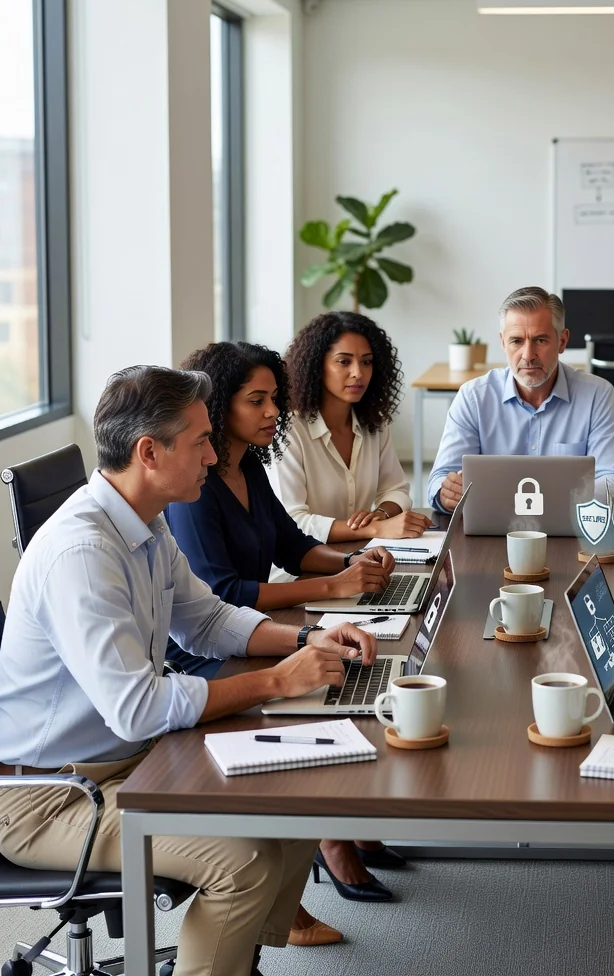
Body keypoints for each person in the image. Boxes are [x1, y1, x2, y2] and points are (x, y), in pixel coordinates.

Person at [0, 365, 380, 976]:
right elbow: (139, 705)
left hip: (128, 755)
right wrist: (280, 680)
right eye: (201, 441)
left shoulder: (143, 523)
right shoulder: (83, 554)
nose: (213, 454)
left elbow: (205, 620)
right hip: (52, 794)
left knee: (301, 787)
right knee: (243, 861)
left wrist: (308, 638)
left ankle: (235, 960)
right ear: (150, 452)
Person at [162, 342, 403, 935]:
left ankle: (340, 827)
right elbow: (223, 593)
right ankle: (316, 858)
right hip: (201, 655)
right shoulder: (197, 491)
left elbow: (292, 547)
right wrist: (336, 588)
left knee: (347, 672)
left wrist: (353, 569)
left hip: (239, 633)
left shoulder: (247, 466)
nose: (274, 412)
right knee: (313, 700)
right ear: (220, 406)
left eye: (276, 399)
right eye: (258, 400)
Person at [428, 287, 614, 513]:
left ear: (562, 341)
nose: (528, 355)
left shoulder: (597, 395)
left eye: (540, 340)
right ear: (503, 343)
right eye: (516, 341)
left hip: (573, 535)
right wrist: (446, 493)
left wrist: (544, 501)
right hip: (491, 534)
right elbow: (440, 478)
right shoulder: (473, 397)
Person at [273, 311, 431, 573]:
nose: (358, 373)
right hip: (298, 574)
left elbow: (397, 490)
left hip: (358, 560)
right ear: (316, 365)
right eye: (343, 362)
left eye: (366, 362)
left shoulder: (374, 423)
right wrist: (375, 528)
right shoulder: (289, 431)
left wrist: (381, 513)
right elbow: (293, 521)